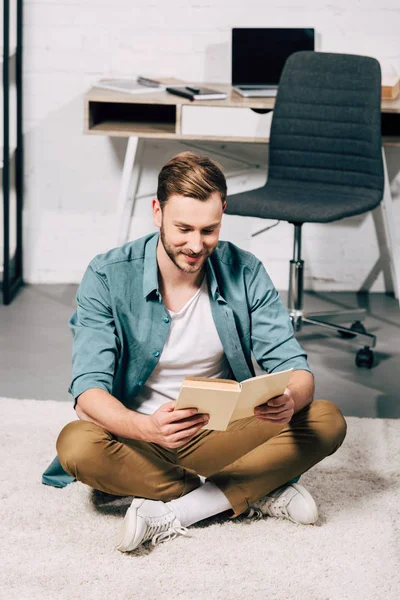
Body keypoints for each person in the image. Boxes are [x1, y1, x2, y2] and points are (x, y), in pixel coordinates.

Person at [56, 151, 347, 553]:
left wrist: (289, 399)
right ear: (156, 211)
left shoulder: (244, 270)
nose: (196, 245)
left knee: (326, 420)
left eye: (209, 229)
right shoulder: (107, 275)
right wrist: (146, 428)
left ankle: (181, 509)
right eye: (184, 228)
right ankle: (248, 490)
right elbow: (88, 390)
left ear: (223, 213)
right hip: (141, 434)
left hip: (223, 433)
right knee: (76, 445)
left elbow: (295, 369)